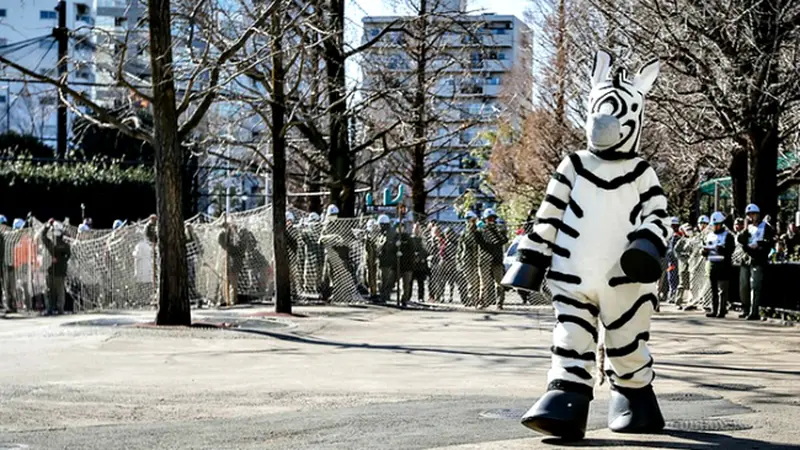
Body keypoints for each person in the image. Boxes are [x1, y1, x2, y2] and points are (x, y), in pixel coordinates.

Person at [737, 203, 773, 320]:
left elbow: (768, 241)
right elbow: (740, 240)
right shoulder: (748, 228)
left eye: (753, 214)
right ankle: (745, 308)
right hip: (746, 259)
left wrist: (759, 245)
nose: (751, 217)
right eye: (749, 215)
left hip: (758, 259)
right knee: (744, 286)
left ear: (758, 214)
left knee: (755, 285)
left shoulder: (765, 227)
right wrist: (745, 228)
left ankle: (754, 311)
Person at [702, 212, 734, 318]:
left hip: (723, 266)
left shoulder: (728, 236)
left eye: (716, 225)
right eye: (713, 225)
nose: (714, 227)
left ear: (721, 224)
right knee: (713, 289)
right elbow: (705, 250)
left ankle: (722, 310)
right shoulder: (710, 235)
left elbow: (730, 250)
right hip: (712, 265)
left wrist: (722, 249)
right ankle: (714, 310)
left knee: (722, 290)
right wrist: (704, 252)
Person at [477, 208, 508, 309]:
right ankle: (482, 302)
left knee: (499, 284)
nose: (491, 220)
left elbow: (503, 240)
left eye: (493, 219)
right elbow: (478, 241)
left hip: (497, 260)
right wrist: (480, 228)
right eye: (489, 219)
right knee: (483, 284)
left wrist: (497, 230)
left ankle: (500, 303)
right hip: (484, 260)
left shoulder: (498, 230)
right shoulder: (481, 231)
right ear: (484, 219)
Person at [39, 220, 71, 315]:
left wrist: (47, 226)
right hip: (59, 271)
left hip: (52, 270)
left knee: (50, 291)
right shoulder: (65, 244)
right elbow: (68, 255)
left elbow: (42, 236)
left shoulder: (51, 244)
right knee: (59, 291)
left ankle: (50, 308)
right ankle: (59, 309)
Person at [459, 211, 480, 307]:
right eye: (467, 219)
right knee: (470, 282)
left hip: (476, 260)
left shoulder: (479, 232)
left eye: (471, 219)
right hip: (466, 260)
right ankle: (472, 299)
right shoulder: (464, 233)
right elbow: (460, 248)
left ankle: (475, 299)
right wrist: (458, 260)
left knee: (475, 281)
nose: (469, 221)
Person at [377, 214, 398, 303]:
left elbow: (383, 247)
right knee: (386, 280)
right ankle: (385, 295)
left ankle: (384, 296)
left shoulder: (388, 234)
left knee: (384, 279)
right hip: (389, 261)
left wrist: (378, 247)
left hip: (386, 261)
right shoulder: (390, 233)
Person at [410, 223, 429, 303]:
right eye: (415, 228)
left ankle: (420, 297)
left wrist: (420, 256)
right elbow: (409, 249)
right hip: (412, 264)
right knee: (409, 282)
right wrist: (414, 256)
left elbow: (426, 250)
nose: (417, 230)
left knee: (421, 283)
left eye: (418, 228)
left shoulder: (423, 240)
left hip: (421, 264)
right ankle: (408, 296)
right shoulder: (410, 239)